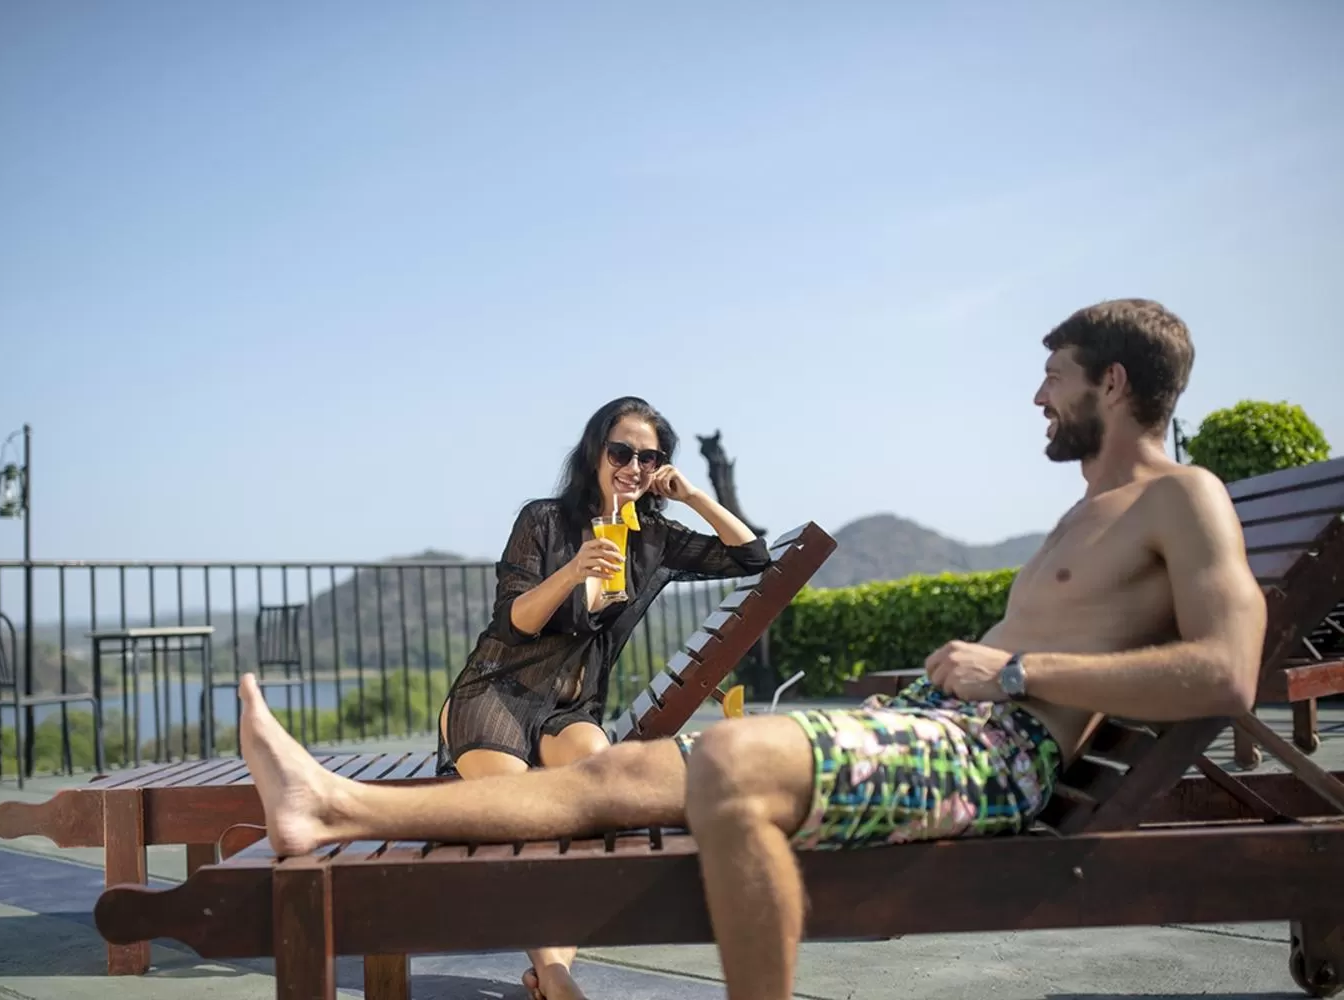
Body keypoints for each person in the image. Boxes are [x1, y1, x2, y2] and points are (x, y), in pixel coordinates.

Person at [236, 299, 1268, 1000]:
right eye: (623, 452)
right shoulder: (1082, 517)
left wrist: (1019, 670)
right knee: (628, 771)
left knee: (727, 757)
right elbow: (521, 620)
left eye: (1054, 377)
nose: (1039, 397)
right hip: (930, 722)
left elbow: (1228, 671)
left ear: (1112, 384)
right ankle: (333, 804)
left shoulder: (1183, 496)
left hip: (1001, 752)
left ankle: (365, 826)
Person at [434, 395, 772, 998]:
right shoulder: (543, 520)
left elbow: (752, 556)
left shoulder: (653, 536)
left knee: (595, 796)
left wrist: (693, 496)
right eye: (622, 452)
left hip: (568, 710)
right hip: (497, 693)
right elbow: (515, 622)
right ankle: (557, 975)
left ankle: (552, 969)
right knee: (524, 814)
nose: (634, 467)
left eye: (649, 457)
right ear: (595, 453)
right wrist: (573, 571)